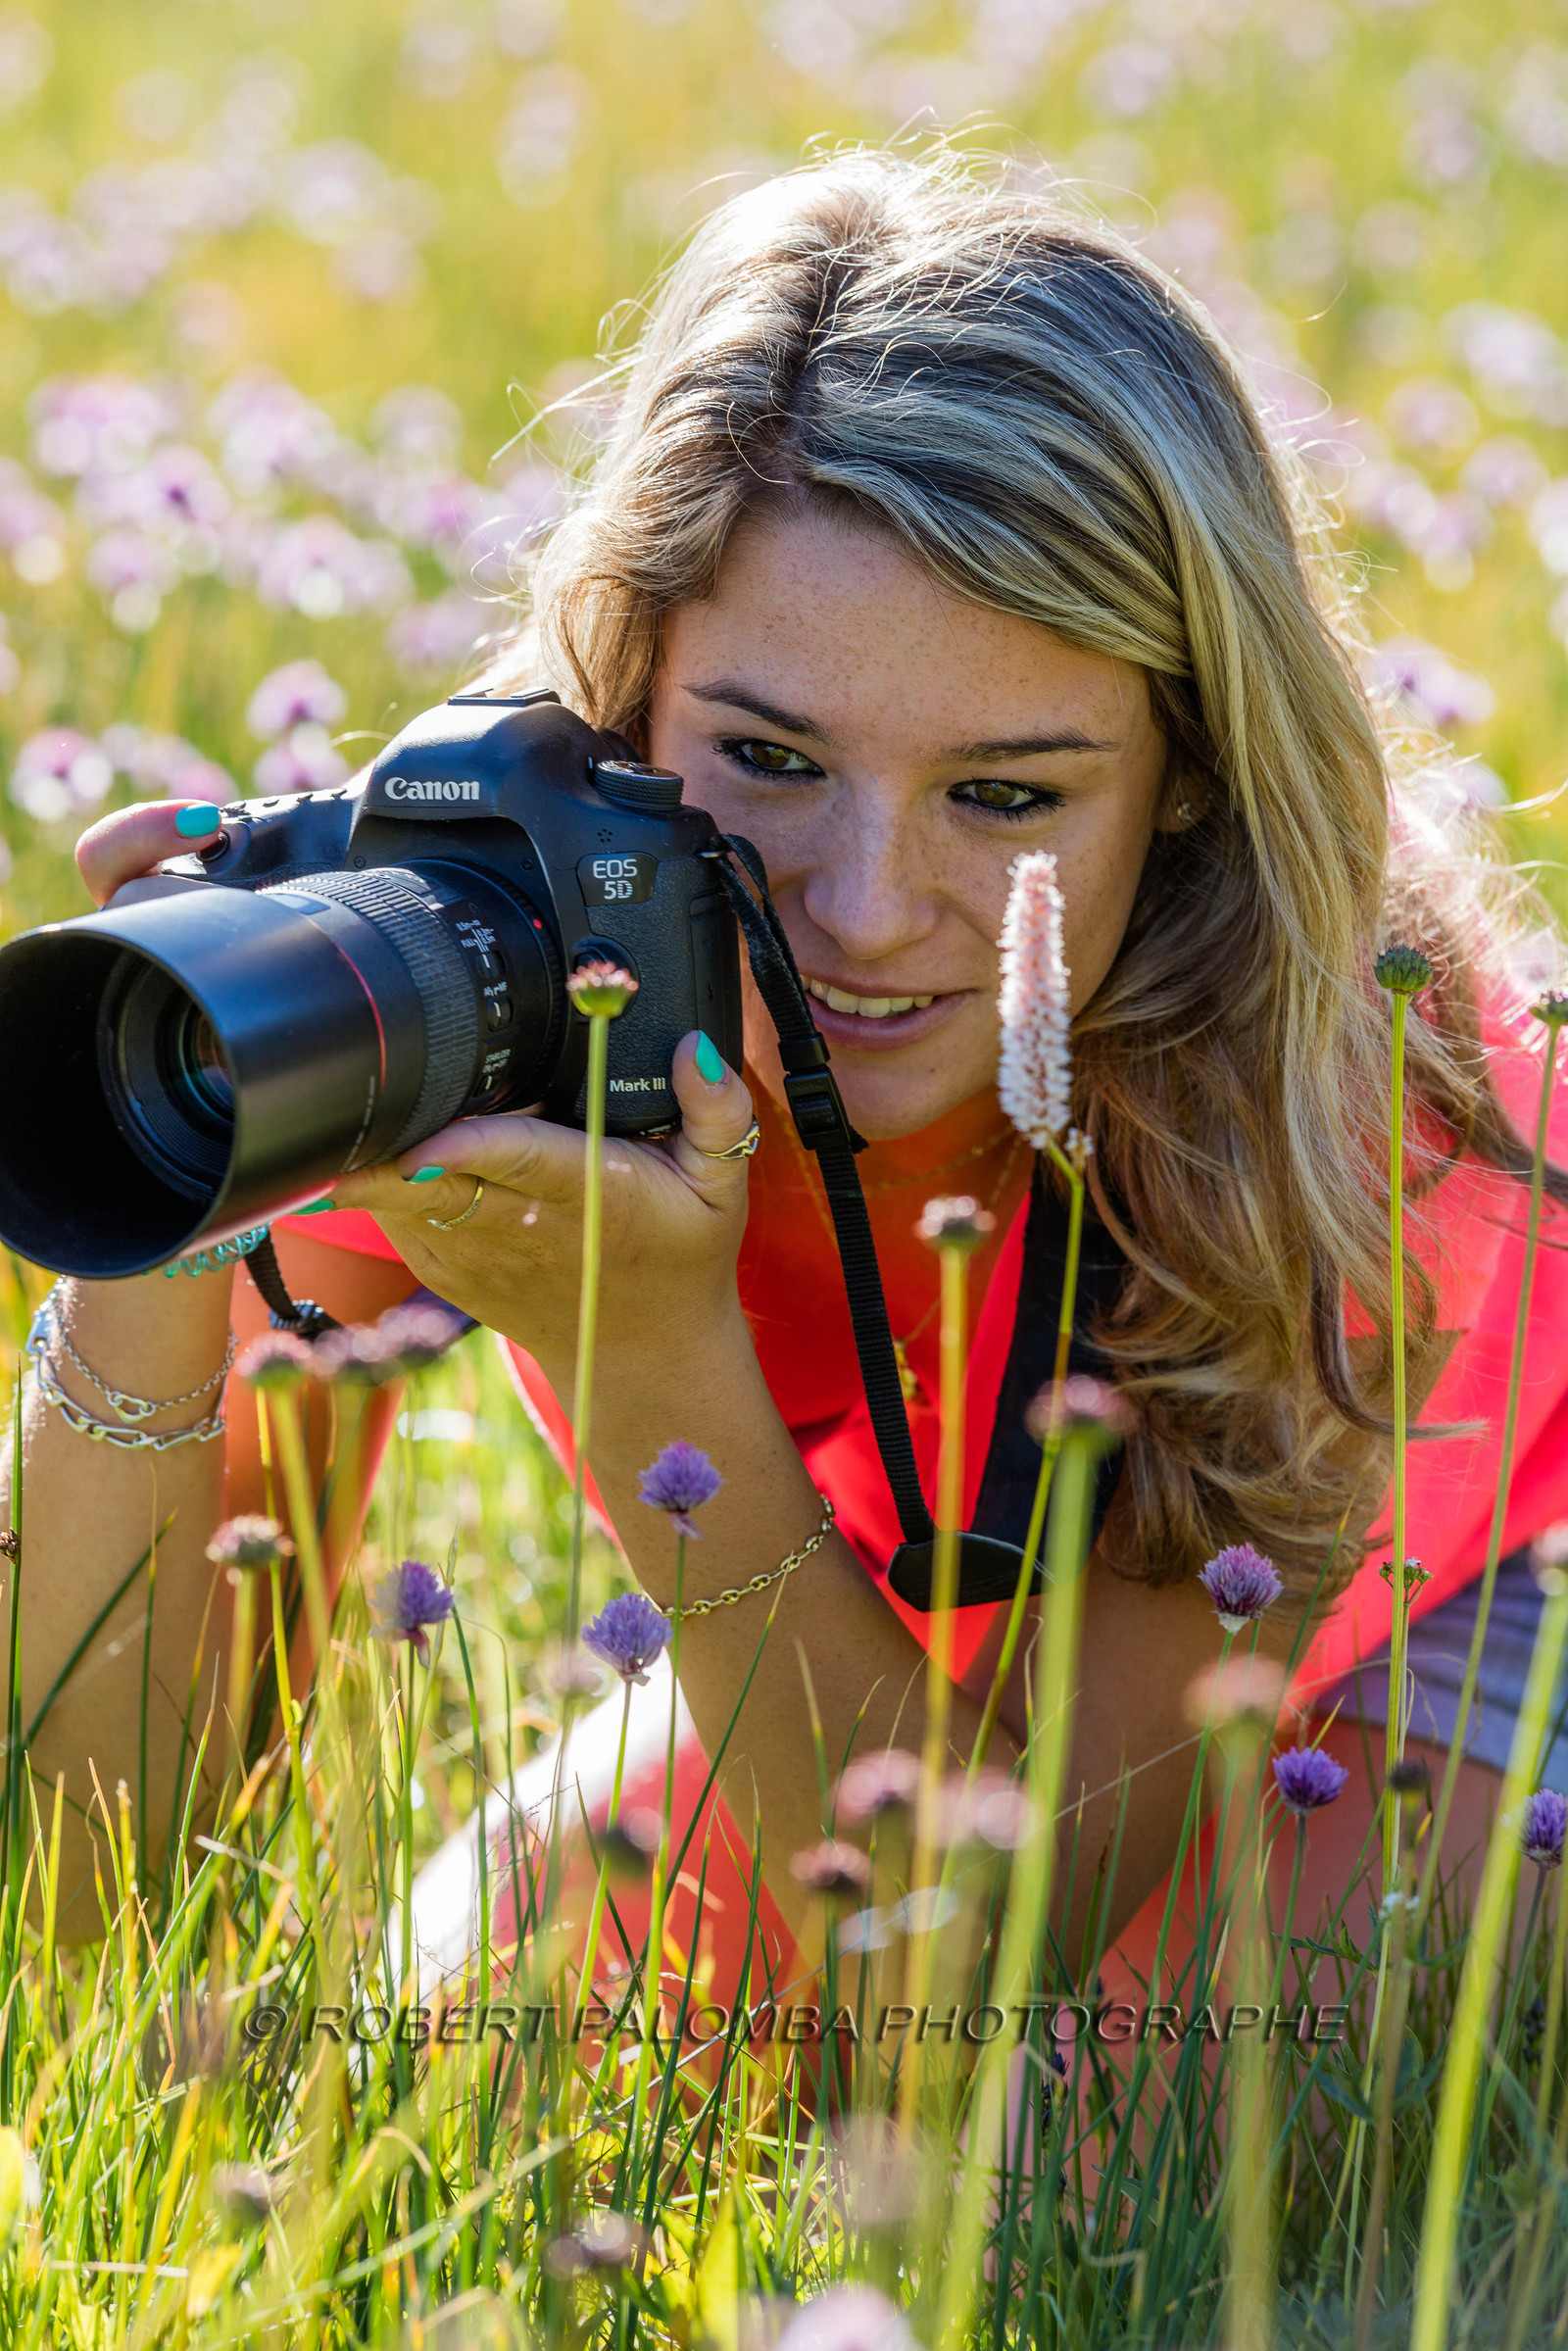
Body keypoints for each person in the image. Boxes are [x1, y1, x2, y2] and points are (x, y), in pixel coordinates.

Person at [15, 150, 1568, 1987]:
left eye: (1006, 794)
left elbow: (974, 1962)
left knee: (1074, 2112)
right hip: (911, 1632)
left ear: (1193, 781)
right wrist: (169, 1178)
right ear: (629, 693)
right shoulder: (499, 943)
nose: (868, 909)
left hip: (1480, 1582)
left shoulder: (1341, 1071)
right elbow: (91, 1888)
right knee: (479, 2010)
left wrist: (639, 1354)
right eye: (767, 759)